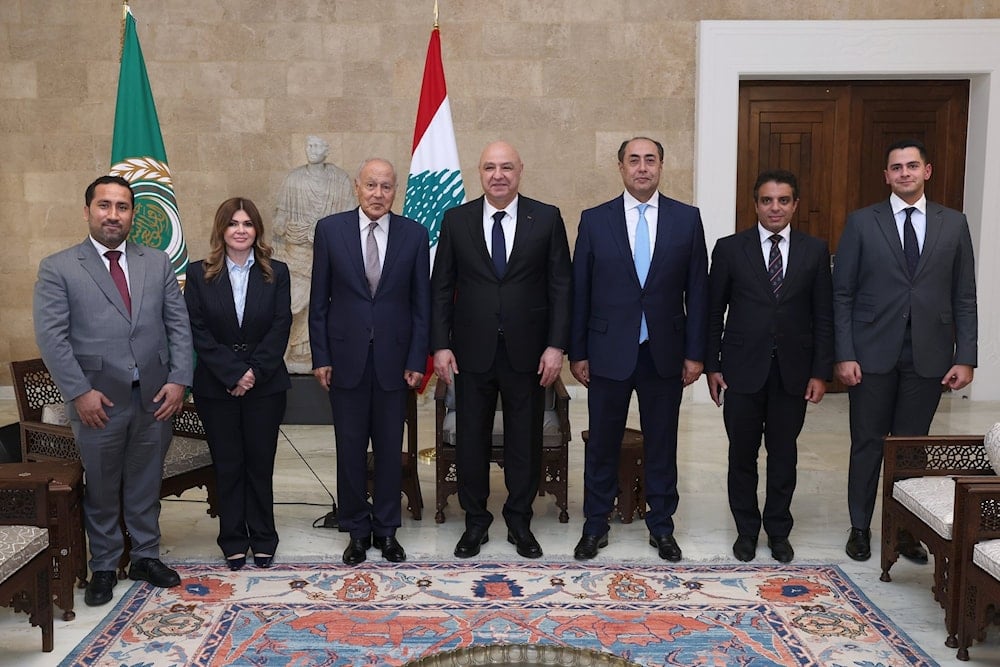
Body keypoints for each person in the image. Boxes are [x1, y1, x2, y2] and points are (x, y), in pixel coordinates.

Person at [33, 175, 193, 606]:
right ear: (87, 211)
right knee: (102, 487)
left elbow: (179, 326)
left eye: (122, 207)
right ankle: (103, 563)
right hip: (97, 402)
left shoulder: (157, 262)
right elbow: (52, 338)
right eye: (104, 206)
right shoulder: (59, 267)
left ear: (132, 215)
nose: (113, 215)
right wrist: (79, 392)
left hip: (155, 399)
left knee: (145, 482)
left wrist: (179, 380)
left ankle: (144, 555)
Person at [833, 138, 977, 561]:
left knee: (912, 448)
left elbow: (964, 294)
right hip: (871, 352)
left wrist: (965, 355)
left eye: (912, 166)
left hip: (930, 355)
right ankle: (860, 527)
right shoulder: (862, 222)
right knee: (868, 443)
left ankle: (904, 533)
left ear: (926, 171)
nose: (904, 173)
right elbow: (842, 292)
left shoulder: (954, 224)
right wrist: (844, 353)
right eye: (896, 168)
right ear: (886, 176)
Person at [431, 141, 571, 560]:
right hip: (470, 352)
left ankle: (519, 520)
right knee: (470, 440)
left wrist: (556, 346)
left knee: (523, 440)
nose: (498, 175)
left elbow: (561, 287)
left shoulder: (546, 218)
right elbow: (440, 288)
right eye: (490, 167)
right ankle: (475, 521)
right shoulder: (456, 220)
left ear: (520, 170)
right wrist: (440, 345)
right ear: (479, 172)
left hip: (529, 353)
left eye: (506, 167)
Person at [570, 137, 708, 562]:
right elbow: (581, 291)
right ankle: (595, 524)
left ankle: (662, 526)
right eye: (634, 160)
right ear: (621, 167)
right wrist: (578, 352)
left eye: (650, 160)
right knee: (603, 442)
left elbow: (698, 292)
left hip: (663, 352)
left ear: (662, 166)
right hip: (608, 350)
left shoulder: (687, 220)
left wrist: (695, 352)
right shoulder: (595, 220)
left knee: (663, 443)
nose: (642, 168)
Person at [705, 170, 834, 563]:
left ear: (795, 204)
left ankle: (778, 530)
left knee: (784, 455)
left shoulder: (814, 250)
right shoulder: (729, 249)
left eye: (782, 200)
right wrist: (712, 366)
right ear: (755, 204)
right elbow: (713, 314)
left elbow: (824, 316)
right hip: (741, 370)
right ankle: (746, 530)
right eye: (766, 200)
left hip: (793, 373)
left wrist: (820, 372)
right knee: (741, 454)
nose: (774, 208)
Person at [309, 158, 430, 565]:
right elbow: (319, 302)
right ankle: (357, 531)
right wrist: (321, 355)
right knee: (350, 449)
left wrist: (418, 357)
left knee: (390, 448)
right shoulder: (330, 231)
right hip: (345, 361)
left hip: (396, 363)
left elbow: (421, 305)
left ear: (396, 191)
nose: (378, 194)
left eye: (386, 187)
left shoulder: (414, 235)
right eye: (371, 186)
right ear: (356, 188)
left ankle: (387, 530)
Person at [184, 198, 291, 571]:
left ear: (257, 230)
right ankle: (232, 537)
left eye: (247, 223)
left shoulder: (277, 272)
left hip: (266, 387)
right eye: (233, 224)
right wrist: (232, 372)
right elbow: (196, 328)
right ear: (222, 230)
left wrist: (253, 373)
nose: (241, 230)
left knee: (260, 464)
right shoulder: (199, 274)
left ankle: (263, 537)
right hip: (217, 388)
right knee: (228, 464)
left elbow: (280, 327)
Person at [273, 135, 355, 373]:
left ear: (327, 151)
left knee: (325, 301)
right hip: (296, 253)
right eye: (309, 145)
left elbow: (349, 218)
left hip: (330, 255)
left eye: (318, 146)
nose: (313, 150)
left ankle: (318, 352)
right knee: (296, 303)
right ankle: (297, 349)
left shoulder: (339, 180)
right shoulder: (294, 179)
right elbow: (279, 218)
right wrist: (288, 228)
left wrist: (321, 230)